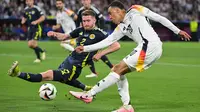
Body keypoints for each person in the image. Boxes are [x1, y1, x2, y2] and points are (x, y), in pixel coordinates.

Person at [69, 1, 191, 112]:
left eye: (111, 14)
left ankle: (89, 94)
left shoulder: (135, 9)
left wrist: (177, 31)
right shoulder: (121, 27)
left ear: (118, 11)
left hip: (150, 46)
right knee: (117, 71)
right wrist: (85, 48)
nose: (109, 17)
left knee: (117, 69)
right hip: (148, 48)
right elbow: (107, 41)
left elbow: (159, 18)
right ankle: (127, 107)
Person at [7, 10, 120, 92]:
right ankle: (85, 88)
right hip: (68, 61)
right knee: (64, 79)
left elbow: (116, 45)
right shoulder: (80, 30)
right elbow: (65, 37)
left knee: (47, 75)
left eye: (88, 21)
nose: (85, 23)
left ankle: (17, 73)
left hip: (75, 67)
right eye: (84, 20)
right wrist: (55, 34)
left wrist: (100, 53)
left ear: (94, 20)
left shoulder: (100, 34)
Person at [77, 0, 114, 78]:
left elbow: (102, 20)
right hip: (85, 33)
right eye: (83, 0)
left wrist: (101, 31)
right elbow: (79, 23)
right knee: (90, 52)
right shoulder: (80, 11)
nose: (85, 2)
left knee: (90, 51)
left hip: (95, 33)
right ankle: (109, 68)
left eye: (86, 0)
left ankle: (96, 71)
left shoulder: (94, 10)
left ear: (89, 1)